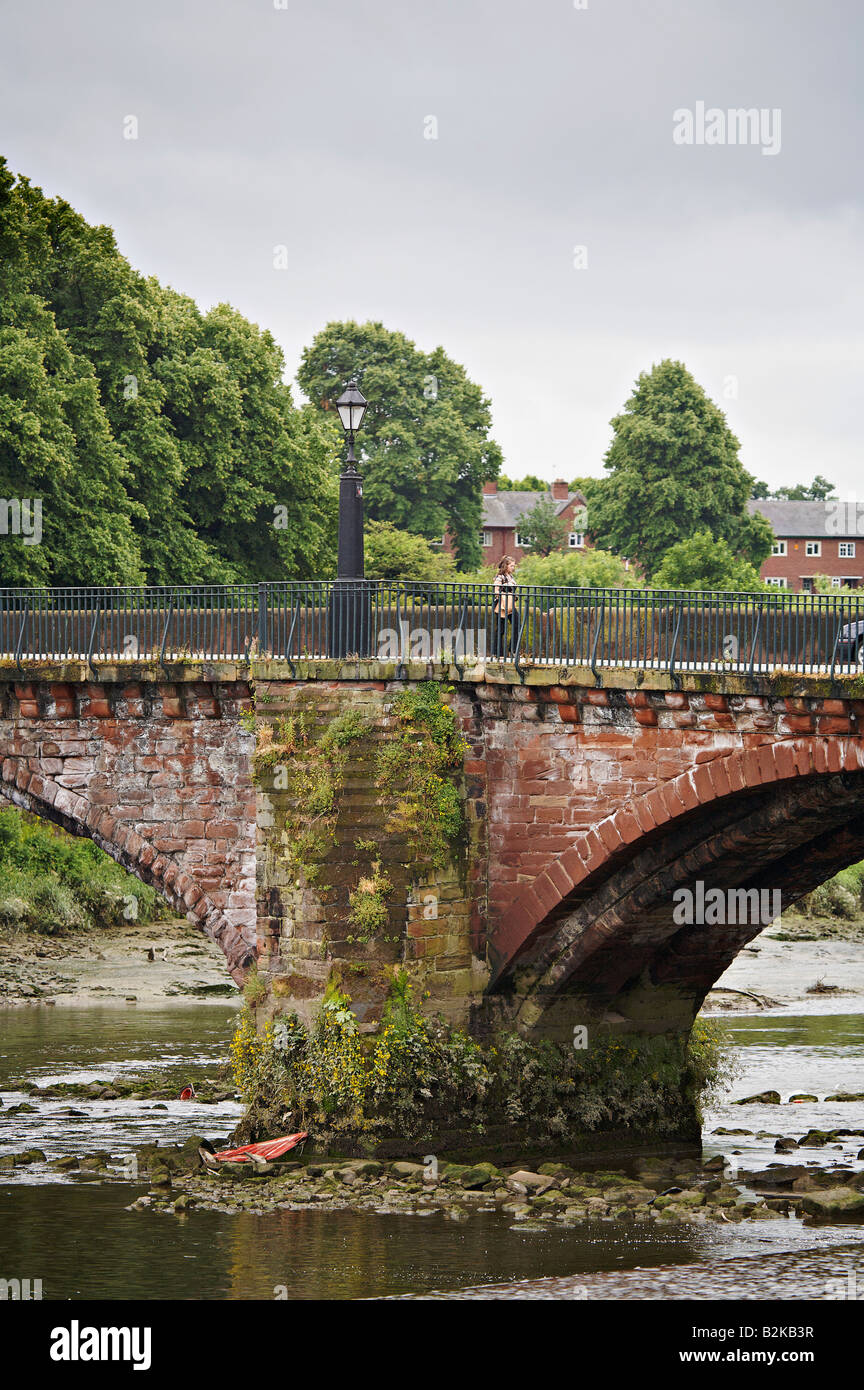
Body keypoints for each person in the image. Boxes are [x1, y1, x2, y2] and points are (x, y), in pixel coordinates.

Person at [491, 555, 519, 657]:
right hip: (501, 605)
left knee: (517, 625)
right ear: (506, 566)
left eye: (513, 566)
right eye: (511, 565)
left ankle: (512, 650)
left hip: (511, 605)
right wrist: (501, 598)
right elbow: (496, 589)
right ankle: (497, 652)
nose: (513, 567)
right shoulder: (500, 577)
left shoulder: (510, 576)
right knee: (501, 629)